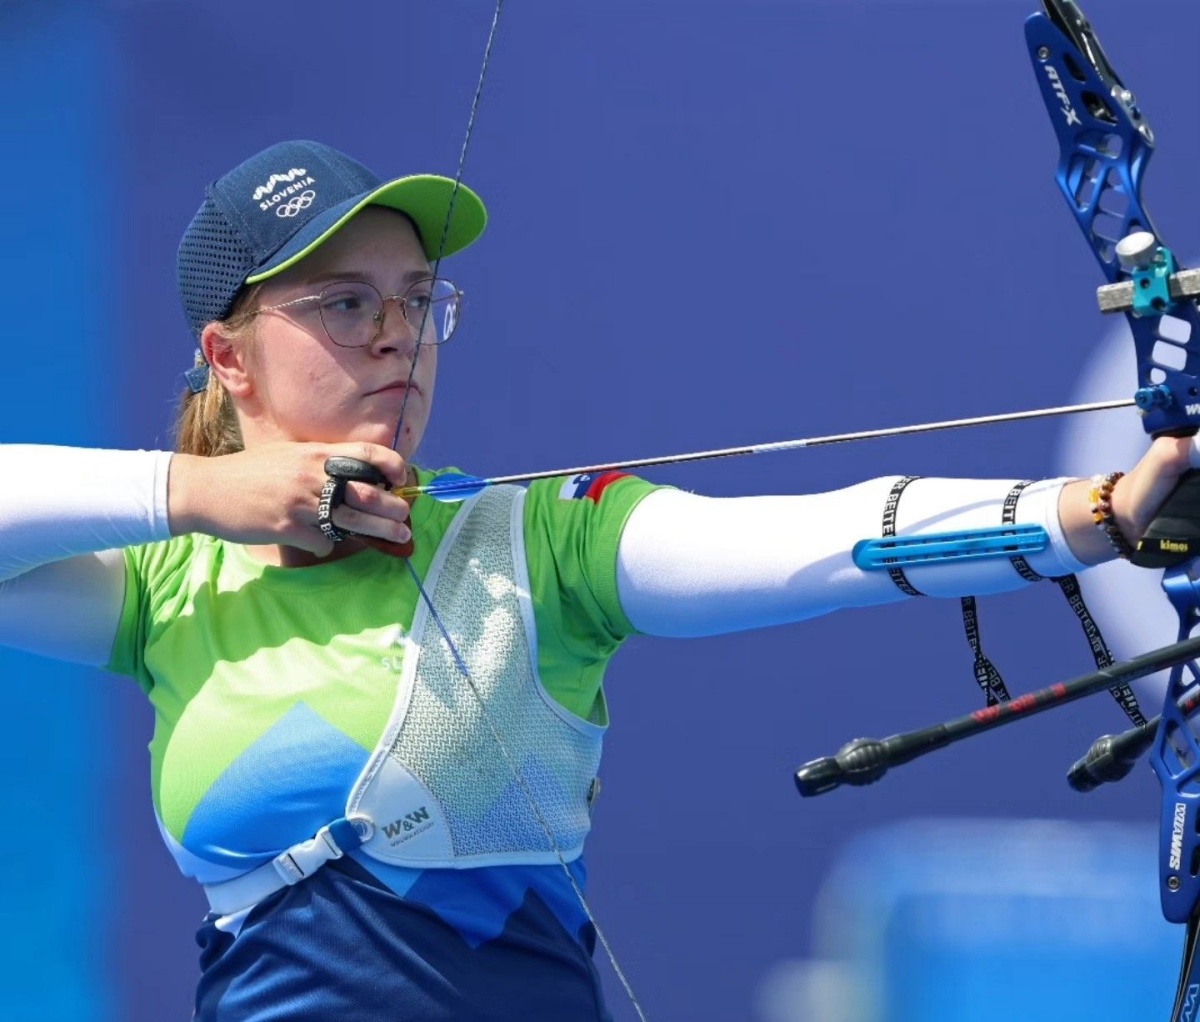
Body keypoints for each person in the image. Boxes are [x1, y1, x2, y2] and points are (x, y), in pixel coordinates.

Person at [0, 138, 1191, 1021]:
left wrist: (1090, 511)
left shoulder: (537, 541)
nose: (396, 336)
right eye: (344, 303)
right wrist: (201, 494)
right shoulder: (164, 586)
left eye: (418, 302)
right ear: (228, 355)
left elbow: (800, 537)